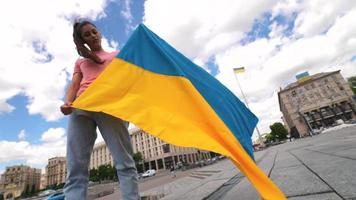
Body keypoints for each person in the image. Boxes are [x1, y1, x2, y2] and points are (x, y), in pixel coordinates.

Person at [60, 20, 139, 200]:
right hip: (82, 106)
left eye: (93, 31)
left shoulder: (117, 56)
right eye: (86, 35)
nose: (92, 36)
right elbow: (75, 84)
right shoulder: (80, 62)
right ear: (83, 41)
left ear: (99, 33)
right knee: (76, 167)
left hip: (108, 107)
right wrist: (68, 101)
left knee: (124, 162)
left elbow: (129, 79)